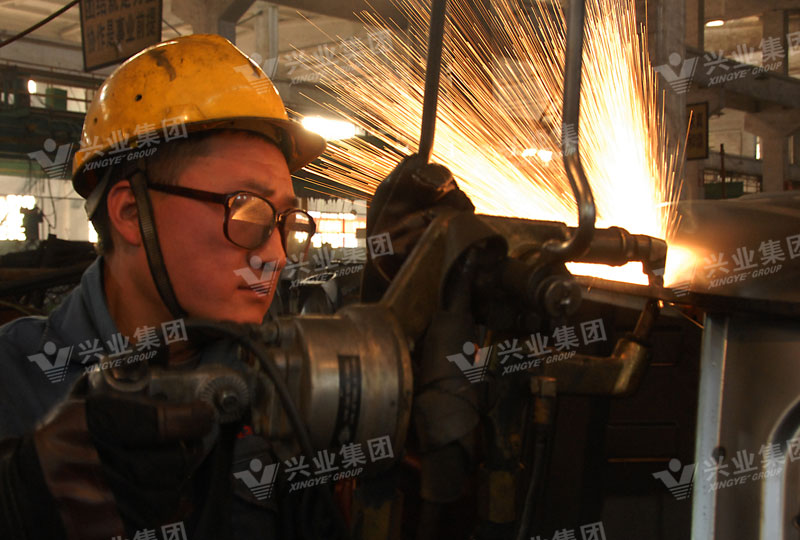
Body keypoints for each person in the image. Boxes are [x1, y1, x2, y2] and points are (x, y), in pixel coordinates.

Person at [0, 34, 327, 540]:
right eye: (247, 211)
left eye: (285, 222)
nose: (277, 256)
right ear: (132, 213)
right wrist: (18, 502)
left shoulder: (287, 389)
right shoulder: (13, 379)